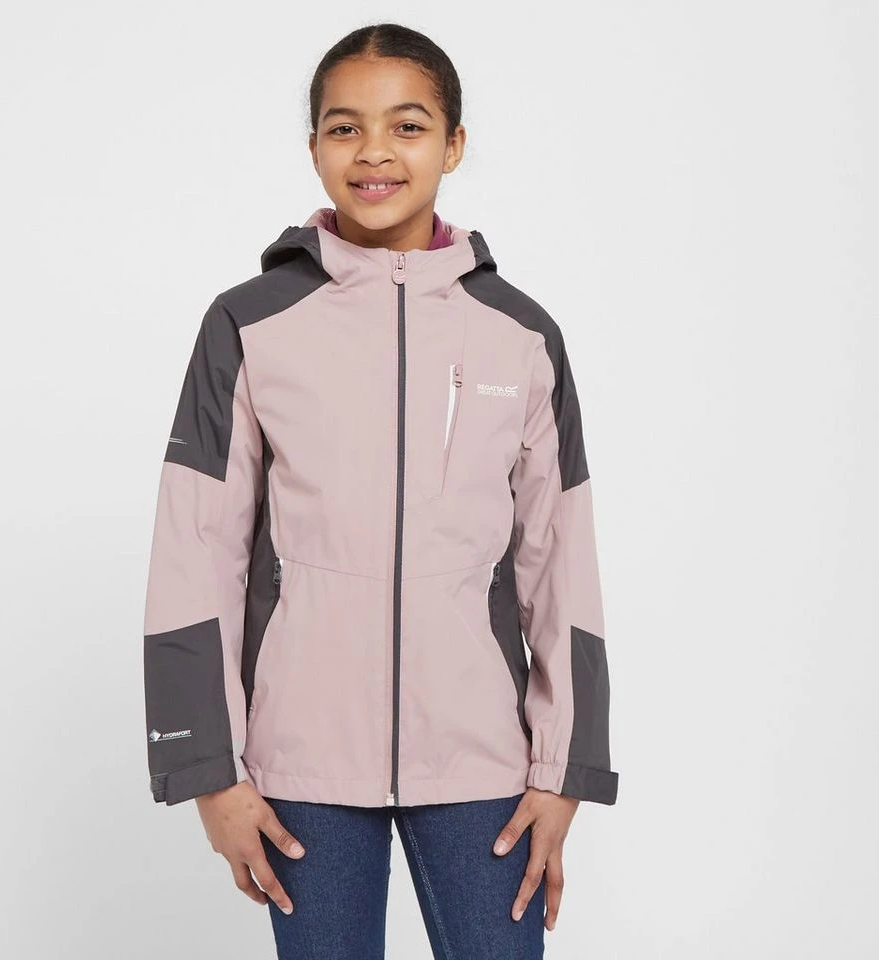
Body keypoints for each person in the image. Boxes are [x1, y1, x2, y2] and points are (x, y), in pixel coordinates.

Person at [142, 21, 617, 960]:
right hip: (300, 760)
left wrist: (566, 768)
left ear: (453, 143)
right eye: (344, 127)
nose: (374, 153)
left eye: (407, 126)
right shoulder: (249, 323)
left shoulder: (520, 334)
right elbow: (194, 547)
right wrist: (208, 770)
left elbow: (562, 559)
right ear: (314, 145)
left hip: (481, 759)